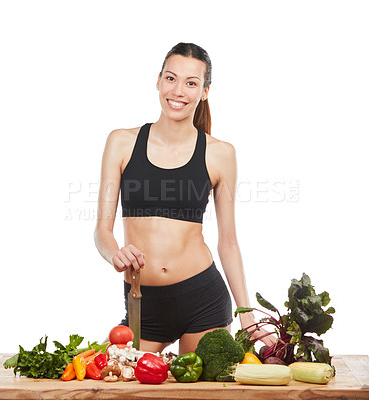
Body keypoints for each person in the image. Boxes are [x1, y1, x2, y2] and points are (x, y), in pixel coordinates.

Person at [94, 42, 275, 354]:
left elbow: (228, 242)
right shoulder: (121, 143)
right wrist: (114, 255)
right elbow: (102, 231)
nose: (178, 91)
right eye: (171, 78)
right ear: (158, 80)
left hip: (203, 299)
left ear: (204, 91)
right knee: (121, 382)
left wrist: (247, 315)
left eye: (191, 83)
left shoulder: (220, 154)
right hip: (144, 305)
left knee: (199, 392)